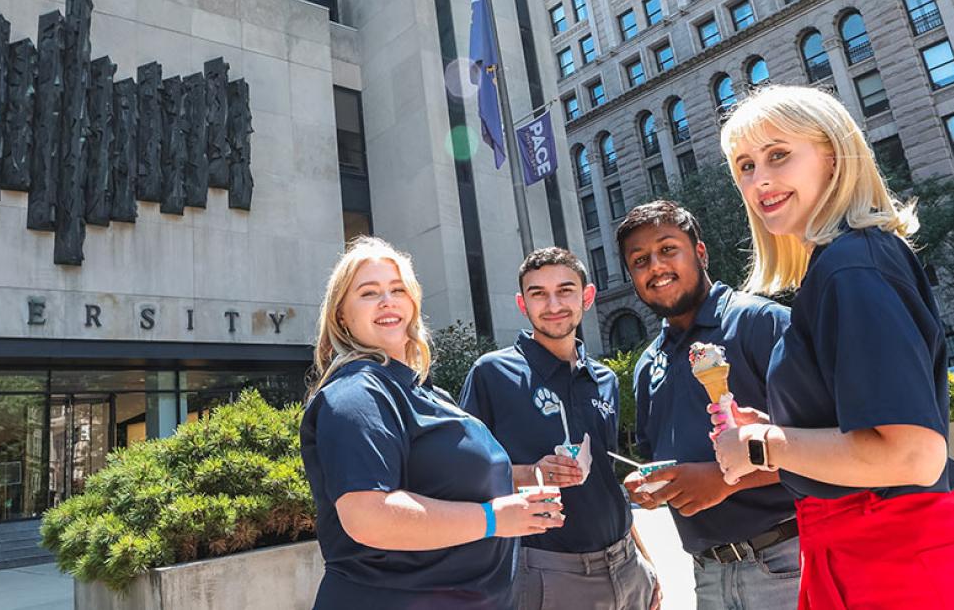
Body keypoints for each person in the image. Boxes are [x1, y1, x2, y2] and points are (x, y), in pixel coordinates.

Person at [711, 84, 954, 609]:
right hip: (868, 563)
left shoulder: (853, 266)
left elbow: (913, 455)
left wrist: (761, 444)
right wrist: (774, 435)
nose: (760, 179)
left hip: (904, 572)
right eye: (745, 165)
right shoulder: (841, 265)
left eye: (778, 155)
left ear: (834, 158)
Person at [300, 236, 563, 610]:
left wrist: (522, 489)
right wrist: (493, 519)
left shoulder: (425, 392)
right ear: (342, 314)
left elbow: (444, 486)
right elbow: (367, 516)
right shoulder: (356, 393)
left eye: (397, 289)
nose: (387, 300)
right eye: (369, 292)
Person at [616, 201, 800, 610]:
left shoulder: (762, 322)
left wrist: (724, 479)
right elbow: (663, 460)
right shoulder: (648, 365)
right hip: (707, 575)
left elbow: (832, 443)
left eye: (668, 249)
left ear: (700, 253)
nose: (656, 267)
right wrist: (654, 487)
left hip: (788, 562)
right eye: (640, 260)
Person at [460, 247, 661, 610]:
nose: (553, 304)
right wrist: (529, 473)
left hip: (626, 565)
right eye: (539, 293)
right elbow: (461, 476)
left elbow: (605, 479)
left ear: (587, 297)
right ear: (523, 305)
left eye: (565, 290)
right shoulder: (491, 374)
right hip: (547, 574)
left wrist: (644, 560)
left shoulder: (604, 379)